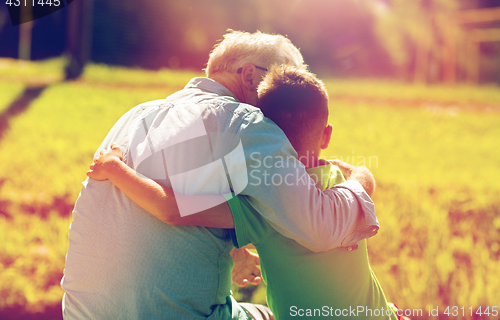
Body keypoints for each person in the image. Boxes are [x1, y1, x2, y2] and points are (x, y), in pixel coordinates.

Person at [62, 30, 378, 320]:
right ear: (250, 75)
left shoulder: (135, 116)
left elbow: (179, 196)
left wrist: (235, 249)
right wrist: (362, 178)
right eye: (278, 84)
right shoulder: (250, 125)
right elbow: (321, 225)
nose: (279, 105)